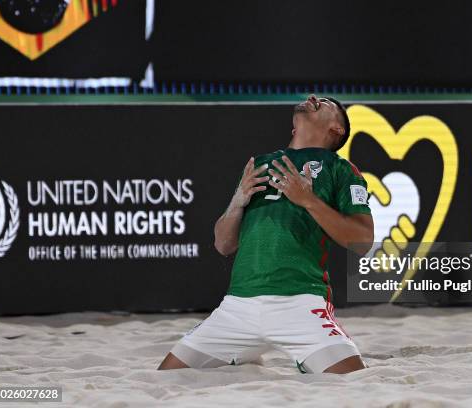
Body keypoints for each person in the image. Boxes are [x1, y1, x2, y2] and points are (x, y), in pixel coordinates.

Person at [158, 94, 374, 374]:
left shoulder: (341, 169)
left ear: (337, 129)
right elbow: (223, 244)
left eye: (324, 101)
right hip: (237, 307)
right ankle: (246, 357)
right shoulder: (259, 165)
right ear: (293, 128)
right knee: (168, 377)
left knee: (353, 380)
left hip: (300, 303)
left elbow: (363, 241)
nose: (312, 98)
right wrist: (237, 202)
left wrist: (308, 200)